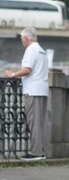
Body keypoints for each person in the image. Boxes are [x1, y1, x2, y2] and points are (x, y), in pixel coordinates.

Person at [4, 27, 49, 161]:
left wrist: (12, 74)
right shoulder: (42, 50)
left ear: (26, 38)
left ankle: (35, 153)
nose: (21, 41)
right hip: (43, 89)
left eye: (21, 38)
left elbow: (27, 69)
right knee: (40, 122)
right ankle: (41, 151)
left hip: (33, 90)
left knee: (33, 122)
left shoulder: (30, 50)